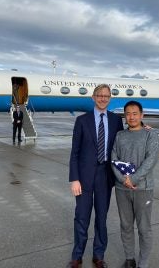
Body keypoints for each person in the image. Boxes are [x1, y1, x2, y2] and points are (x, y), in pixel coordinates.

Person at [68, 84, 124, 268]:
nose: (102, 98)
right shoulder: (82, 121)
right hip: (83, 177)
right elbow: (74, 152)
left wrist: (143, 128)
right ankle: (77, 256)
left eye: (106, 96)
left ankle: (98, 255)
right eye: (99, 95)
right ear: (93, 97)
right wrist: (74, 178)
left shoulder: (116, 120)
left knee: (102, 217)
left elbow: (123, 143)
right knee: (82, 217)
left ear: (110, 98)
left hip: (105, 175)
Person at [111, 100, 159, 268]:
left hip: (143, 188)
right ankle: (129, 259)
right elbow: (113, 159)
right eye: (128, 114)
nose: (131, 117)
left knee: (144, 228)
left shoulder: (150, 135)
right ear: (124, 116)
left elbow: (151, 160)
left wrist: (133, 179)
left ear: (141, 115)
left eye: (135, 113)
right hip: (121, 188)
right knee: (125, 225)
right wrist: (122, 179)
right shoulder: (119, 135)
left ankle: (143, 263)